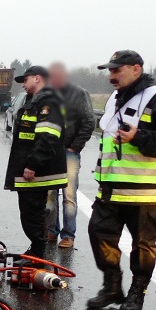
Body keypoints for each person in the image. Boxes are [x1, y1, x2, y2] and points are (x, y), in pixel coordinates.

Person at [86, 50, 156, 310]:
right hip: (110, 187)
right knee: (99, 234)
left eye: (116, 70)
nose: (111, 76)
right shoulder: (114, 98)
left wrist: (137, 137)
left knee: (142, 245)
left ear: (136, 69)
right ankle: (112, 286)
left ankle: (137, 293)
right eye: (109, 71)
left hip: (143, 192)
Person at [4, 66, 66, 258]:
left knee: (32, 213)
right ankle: (36, 250)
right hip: (30, 170)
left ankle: (38, 255)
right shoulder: (35, 101)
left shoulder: (48, 101)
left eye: (26, 79)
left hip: (38, 172)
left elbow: (48, 136)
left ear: (38, 78)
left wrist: (32, 164)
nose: (23, 84)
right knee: (30, 212)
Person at [45, 62, 96, 249]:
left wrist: (75, 147)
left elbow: (89, 121)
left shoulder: (78, 94)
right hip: (50, 153)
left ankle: (68, 235)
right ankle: (51, 231)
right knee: (50, 195)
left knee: (68, 196)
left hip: (69, 152)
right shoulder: (48, 95)